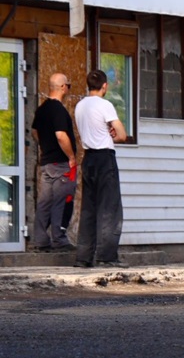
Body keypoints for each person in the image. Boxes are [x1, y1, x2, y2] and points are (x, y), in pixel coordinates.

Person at [73, 69, 126, 268]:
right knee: (110, 209)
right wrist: (112, 133)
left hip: (88, 158)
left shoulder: (80, 106)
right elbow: (121, 134)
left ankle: (83, 257)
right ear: (105, 86)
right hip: (105, 158)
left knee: (88, 208)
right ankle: (106, 256)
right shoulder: (106, 105)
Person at [31, 72, 77, 252]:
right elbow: (61, 135)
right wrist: (71, 156)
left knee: (44, 202)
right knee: (61, 200)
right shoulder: (58, 110)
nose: (68, 89)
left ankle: (40, 240)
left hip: (46, 163)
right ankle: (58, 240)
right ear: (63, 87)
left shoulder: (41, 109)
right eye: (68, 85)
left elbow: (35, 132)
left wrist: (44, 145)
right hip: (60, 163)